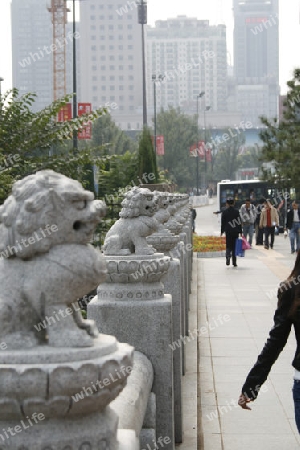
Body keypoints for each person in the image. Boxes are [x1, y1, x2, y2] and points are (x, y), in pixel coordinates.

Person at [238, 251, 300, 433]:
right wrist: (252, 385)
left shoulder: (291, 289)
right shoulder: (291, 291)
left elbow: (275, 343)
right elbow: (275, 342)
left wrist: (251, 387)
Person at [221, 198, 242, 267]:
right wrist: (240, 231)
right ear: (233, 203)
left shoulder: (225, 212)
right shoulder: (236, 211)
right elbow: (239, 222)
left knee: (228, 245)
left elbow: (223, 223)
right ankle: (234, 262)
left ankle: (227, 257)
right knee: (234, 246)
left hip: (228, 231)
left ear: (227, 203)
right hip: (235, 231)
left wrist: (222, 231)